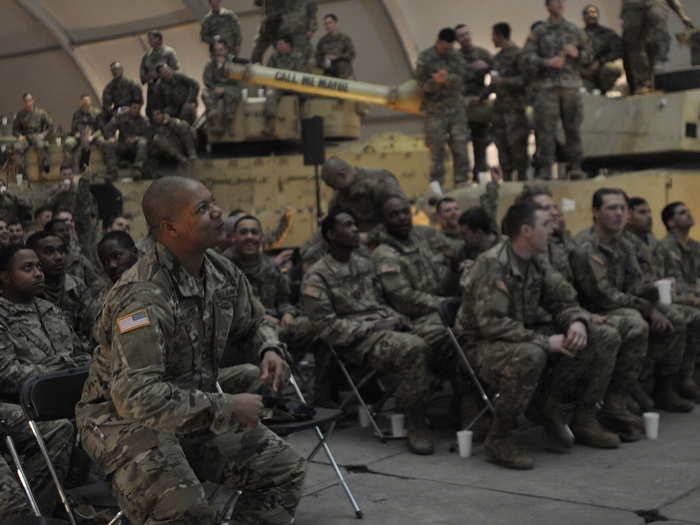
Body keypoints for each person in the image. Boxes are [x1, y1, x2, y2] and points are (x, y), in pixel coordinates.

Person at [75, 176, 305, 525]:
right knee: (188, 513)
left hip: (189, 408)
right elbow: (136, 397)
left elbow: (254, 320)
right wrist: (228, 405)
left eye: (213, 203)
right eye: (203, 209)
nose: (218, 213)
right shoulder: (142, 295)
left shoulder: (218, 269)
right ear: (171, 228)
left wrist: (268, 349)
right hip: (123, 424)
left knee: (284, 469)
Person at [457, 202, 620, 470]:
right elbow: (491, 324)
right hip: (482, 345)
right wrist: (545, 342)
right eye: (546, 225)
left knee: (602, 335)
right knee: (531, 354)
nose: (553, 230)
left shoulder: (536, 261)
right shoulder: (492, 263)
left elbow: (563, 299)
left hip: (521, 335)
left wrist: (577, 321)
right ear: (527, 231)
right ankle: (499, 438)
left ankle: (568, 412)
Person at [302, 207, 437, 454]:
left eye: (355, 224)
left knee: (441, 335)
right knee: (414, 348)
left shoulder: (364, 264)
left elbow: (380, 302)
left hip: (384, 329)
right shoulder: (317, 276)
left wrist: (396, 317)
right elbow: (326, 328)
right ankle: (415, 420)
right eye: (348, 225)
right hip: (355, 342)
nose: (356, 229)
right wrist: (373, 326)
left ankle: (447, 410)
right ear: (331, 235)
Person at [571, 189, 693, 436]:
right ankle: (611, 401)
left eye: (622, 208)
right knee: (636, 323)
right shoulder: (585, 246)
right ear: (595, 212)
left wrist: (654, 291)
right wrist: (647, 308)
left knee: (673, 317)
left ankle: (649, 386)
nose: (619, 214)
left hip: (622, 307)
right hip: (591, 312)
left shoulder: (624, 244)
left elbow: (635, 283)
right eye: (611, 208)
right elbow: (602, 295)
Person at [0, 244, 87, 520]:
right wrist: (54, 373)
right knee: (61, 429)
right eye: (28, 268)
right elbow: (6, 373)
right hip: (19, 403)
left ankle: (78, 499)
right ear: (4, 276)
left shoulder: (50, 310)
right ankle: (36, 512)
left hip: (63, 395)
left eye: (38, 266)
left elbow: (77, 353)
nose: (38, 273)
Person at [522, 0, 592, 180]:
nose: (559, 5)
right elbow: (526, 58)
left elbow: (589, 56)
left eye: (561, 1)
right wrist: (547, 62)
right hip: (547, 87)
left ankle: (576, 166)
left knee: (573, 129)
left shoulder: (575, 30)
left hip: (571, 86)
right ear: (548, 6)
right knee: (546, 130)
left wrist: (577, 54)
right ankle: (545, 169)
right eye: (555, 2)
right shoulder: (539, 32)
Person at [416, 28, 470, 188]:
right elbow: (420, 83)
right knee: (436, 150)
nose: (448, 50)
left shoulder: (457, 56)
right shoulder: (425, 57)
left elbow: (462, 78)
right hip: (435, 111)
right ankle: (436, 187)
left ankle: (462, 183)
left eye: (450, 47)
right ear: (439, 42)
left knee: (460, 147)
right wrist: (435, 82)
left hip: (456, 110)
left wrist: (446, 79)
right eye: (445, 47)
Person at [658, 201, 700, 395]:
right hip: (673, 300)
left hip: (693, 297)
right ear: (671, 222)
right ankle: (683, 378)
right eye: (683, 213)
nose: (689, 214)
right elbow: (668, 285)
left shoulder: (694, 246)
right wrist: (693, 296)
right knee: (694, 316)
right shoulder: (664, 248)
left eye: (688, 210)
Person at [622, 0, 694, 95]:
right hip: (632, 5)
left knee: (659, 37)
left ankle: (658, 74)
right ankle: (643, 82)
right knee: (634, 43)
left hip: (655, 3)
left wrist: (682, 15)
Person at [80, 231, 139, 345]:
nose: (112, 265)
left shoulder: (155, 286)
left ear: (135, 252)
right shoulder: (97, 298)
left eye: (117, 256)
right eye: (105, 261)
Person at [26, 230, 87, 338]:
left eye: (61, 250)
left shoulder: (77, 286)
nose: (58, 257)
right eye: (49, 252)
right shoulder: (28, 290)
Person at [321, 156, 404, 234]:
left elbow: (399, 216)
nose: (334, 189)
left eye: (333, 185)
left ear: (342, 175)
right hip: (357, 239)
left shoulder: (379, 181)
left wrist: (370, 236)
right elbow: (333, 221)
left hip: (388, 237)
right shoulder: (340, 195)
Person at [490, 22, 529, 181]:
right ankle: (506, 180)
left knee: (518, 147)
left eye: (493, 36)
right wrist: (479, 97)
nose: (492, 39)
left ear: (499, 35)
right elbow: (493, 83)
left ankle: (522, 181)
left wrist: (503, 81)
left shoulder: (520, 55)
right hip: (499, 110)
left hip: (516, 109)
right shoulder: (497, 58)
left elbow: (525, 80)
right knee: (501, 146)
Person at [456, 24, 493, 180]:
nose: (465, 38)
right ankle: (462, 177)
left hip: (480, 106)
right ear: (457, 40)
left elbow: (497, 75)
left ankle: (481, 175)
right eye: (461, 36)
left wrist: (483, 95)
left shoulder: (483, 54)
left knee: (481, 143)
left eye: (467, 34)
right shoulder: (454, 58)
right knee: (459, 144)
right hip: (461, 107)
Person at [264, 36, 309, 135]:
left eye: (280, 44)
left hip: (294, 85)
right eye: (277, 44)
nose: (278, 46)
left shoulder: (298, 57)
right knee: (270, 92)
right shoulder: (274, 57)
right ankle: (270, 123)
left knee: (304, 95)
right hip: (279, 86)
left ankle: (302, 125)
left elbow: (301, 74)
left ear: (288, 45)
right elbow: (268, 72)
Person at [251, 0, 317, 64]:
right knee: (257, 52)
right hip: (271, 24)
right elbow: (258, 3)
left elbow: (312, 12)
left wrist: (312, 28)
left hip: (288, 27)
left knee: (287, 52)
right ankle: (256, 68)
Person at [45, 217, 101, 288]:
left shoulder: (78, 258)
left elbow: (96, 282)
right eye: (61, 231)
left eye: (67, 230)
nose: (66, 233)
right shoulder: (43, 258)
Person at [101, 101, 151, 178]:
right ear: (130, 107)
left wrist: (137, 138)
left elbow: (149, 136)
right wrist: (111, 137)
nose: (136, 110)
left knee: (143, 143)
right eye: (134, 108)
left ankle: (137, 169)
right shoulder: (121, 117)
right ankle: (112, 171)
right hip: (123, 144)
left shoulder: (143, 120)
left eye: (138, 108)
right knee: (108, 144)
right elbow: (108, 129)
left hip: (135, 147)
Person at [202, 39, 242, 134]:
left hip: (231, 87)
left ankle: (228, 121)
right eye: (217, 51)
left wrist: (224, 68)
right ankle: (213, 115)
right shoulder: (211, 64)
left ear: (226, 50)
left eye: (221, 50)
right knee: (205, 93)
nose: (219, 53)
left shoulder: (234, 62)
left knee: (230, 95)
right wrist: (214, 87)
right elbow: (207, 80)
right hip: (215, 88)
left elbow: (236, 80)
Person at [581, 4, 623, 94]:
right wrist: (584, 70)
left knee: (610, 69)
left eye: (593, 12)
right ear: (584, 17)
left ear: (597, 15)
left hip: (603, 69)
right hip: (585, 72)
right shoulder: (578, 35)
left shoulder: (608, 33)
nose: (591, 15)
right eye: (587, 13)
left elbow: (618, 50)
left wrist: (600, 61)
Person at [139, 30, 180, 117]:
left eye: (151, 39)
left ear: (159, 39)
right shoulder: (147, 56)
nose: (149, 41)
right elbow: (142, 74)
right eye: (148, 39)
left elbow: (175, 68)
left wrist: (162, 74)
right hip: (152, 89)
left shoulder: (169, 52)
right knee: (152, 112)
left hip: (167, 88)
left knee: (169, 111)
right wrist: (148, 76)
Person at [12, 93, 53, 174]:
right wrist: (19, 136)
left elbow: (50, 126)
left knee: (41, 146)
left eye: (30, 100)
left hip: (36, 136)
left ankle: (45, 165)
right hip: (25, 137)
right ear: (23, 103)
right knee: (17, 147)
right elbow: (14, 130)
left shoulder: (41, 113)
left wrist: (43, 134)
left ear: (33, 101)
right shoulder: (20, 114)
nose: (28, 103)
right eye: (26, 101)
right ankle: (22, 169)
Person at [63, 94, 103, 173]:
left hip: (93, 136)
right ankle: (68, 166)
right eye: (84, 102)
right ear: (81, 102)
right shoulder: (77, 113)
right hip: (79, 136)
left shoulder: (97, 113)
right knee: (68, 143)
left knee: (104, 142)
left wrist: (92, 136)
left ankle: (101, 167)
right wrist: (76, 134)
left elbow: (101, 129)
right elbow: (73, 128)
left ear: (90, 102)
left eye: (87, 101)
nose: (85, 104)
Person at [315, 13, 356, 78]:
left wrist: (337, 57)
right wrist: (323, 61)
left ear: (335, 23)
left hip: (342, 71)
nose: (328, 26)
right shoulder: (322, 41)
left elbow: (351, 54)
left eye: (330, 23)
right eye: (325, 24)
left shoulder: (344, 38)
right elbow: (318, 56)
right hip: (328, 70)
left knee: (342, 65)